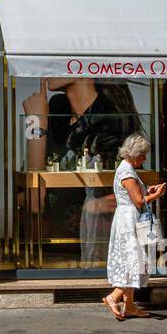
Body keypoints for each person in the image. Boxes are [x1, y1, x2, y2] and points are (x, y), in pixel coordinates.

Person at [22, 79, 142, 266]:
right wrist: (36, 122)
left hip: (97, 250)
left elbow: (126, 195)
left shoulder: (109, 124)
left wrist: (36, 123)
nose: (50, 61)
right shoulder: (56, 113)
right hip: (52, 245)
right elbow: (34, 199)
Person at [102, 133, 167, 320]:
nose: (144, 159)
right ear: (134, 154)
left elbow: (135, 194)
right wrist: (157, 195)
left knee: (133, 260)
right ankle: (113, 297)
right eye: (142, 155)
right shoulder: (127, 172)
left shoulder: (126, 169)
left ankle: (129, 305)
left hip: (127, 218)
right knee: (134, 262)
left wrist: (149, 190)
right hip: (129, 220)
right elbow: (138, 201)